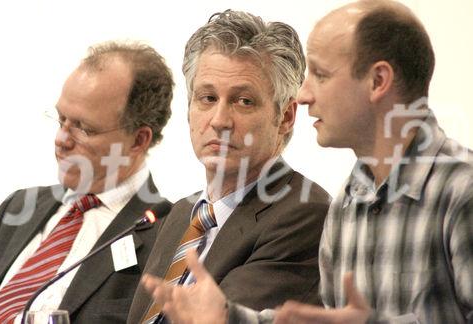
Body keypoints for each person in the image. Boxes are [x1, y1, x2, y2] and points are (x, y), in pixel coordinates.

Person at [140, 1, 473, 323]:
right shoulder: (350, 202)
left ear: (378, 81)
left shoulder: (461, 191)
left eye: (322, 75)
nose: (305, 94)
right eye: (207, 98)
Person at [127, 10, 331, 324]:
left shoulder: (303, 213)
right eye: (207, 98)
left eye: (243, 101)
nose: (219, 120)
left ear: (286, 117)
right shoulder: (181, 214)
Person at [0, 41, 174, 323]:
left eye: (83, 128)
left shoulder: (167, 236)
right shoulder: (19, 207)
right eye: (61, 119)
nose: (61, 139)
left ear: (138, 140)